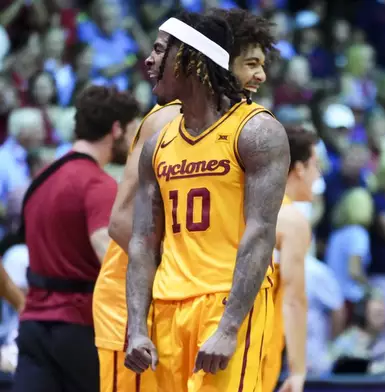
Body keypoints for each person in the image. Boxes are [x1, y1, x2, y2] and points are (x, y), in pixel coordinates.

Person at [93, 9, 276, 392]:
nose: (149, 60)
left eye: (160, 51)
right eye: (251, 63)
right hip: (165, 301)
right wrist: (138, 326)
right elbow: (137, 236)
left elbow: (260, 234)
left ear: (192, 59)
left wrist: (228, 328)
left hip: (225, 299)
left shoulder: (256, 131)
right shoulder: (159, 136)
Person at [12, 86, 139, 392]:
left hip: (33, 326)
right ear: (116, 128)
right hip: (79, 328)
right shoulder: (98, 184)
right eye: (133, 130)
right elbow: (106, 251)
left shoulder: (40, 181)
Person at [262, 127, 320, 392]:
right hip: (254, 343)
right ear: (299, 168)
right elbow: (294, 300)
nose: (317, 175)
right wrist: (297, 370)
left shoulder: (242, 207)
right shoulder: (291, 220)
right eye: (315, 165)